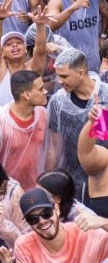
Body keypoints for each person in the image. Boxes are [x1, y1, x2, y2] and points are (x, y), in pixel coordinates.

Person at [48, 48, 108, 197]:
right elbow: (55, 147)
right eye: (58, 76)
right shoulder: (58, 102)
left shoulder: (105, 96)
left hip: (103, 182)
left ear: (81, 73)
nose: (60, 81)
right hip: (71, 183)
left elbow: (103, 139)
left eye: (64, 76)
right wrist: (50, 183)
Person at [0, 70, 50, 191]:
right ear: (27, 95)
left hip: (36, 190)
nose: (46, 92)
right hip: (6, 193)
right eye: (41, 89)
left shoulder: (42, 114)